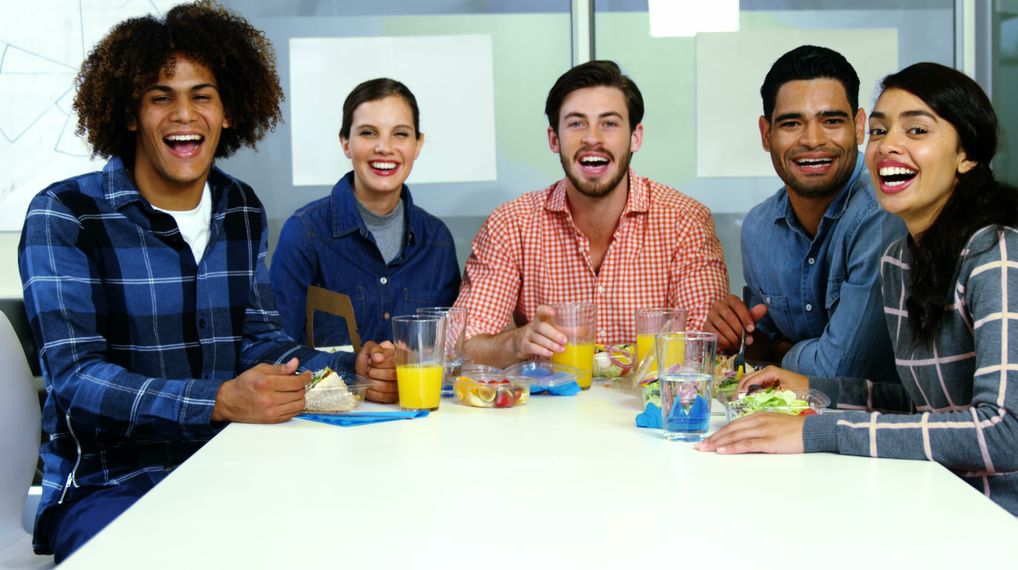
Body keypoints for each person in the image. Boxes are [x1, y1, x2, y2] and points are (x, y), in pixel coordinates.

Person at [17, 2, 396, 561]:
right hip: (110, 484)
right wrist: (216, 401)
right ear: (129, 114)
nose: (183, 114)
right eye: (160, 96)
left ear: (229, 112)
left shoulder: (241, 207)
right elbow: (76, 379)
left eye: (202, 95)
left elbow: (260, 338)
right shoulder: (64, 214)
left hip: (234, 468)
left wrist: (349, 369)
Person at [697, 62, 1018, 558]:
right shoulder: (903, 258)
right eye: (879, 130)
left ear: (965, 155)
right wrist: (813, 389)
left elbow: (1002, 432)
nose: (887, 145)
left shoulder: (1001, 255)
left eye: (916, 130)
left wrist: (816, 430)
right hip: (944, 503)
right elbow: (926, 408)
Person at [454, 60, 728, 367]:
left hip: (649, 410)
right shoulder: (511, 224)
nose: (592, 138)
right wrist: (514, 343)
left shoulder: (685, 221)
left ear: (635, 137)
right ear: (554, 139)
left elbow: (703, 349)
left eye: (609, 123)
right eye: (576, 123)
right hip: (549, 410)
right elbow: (462, 346)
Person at [705, 45, 905, 377]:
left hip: (874, 423)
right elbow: (760, 345)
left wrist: (782, 352)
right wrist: (735, 332)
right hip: (787, 421)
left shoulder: (882, 213)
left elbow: (841, 370)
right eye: (792, 123)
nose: (812, 140)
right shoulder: (758, 227)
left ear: (858, 127)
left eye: (831, 121)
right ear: (766, 134)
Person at [270, 78, 460, 346]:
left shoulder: (437, 240)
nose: (384, 147)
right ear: (345, 142)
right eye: (368, 133)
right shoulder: (305, 232)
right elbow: (278, 347)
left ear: (418, 144)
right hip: (330, 389)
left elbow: (449, 349)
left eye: (400, 134)